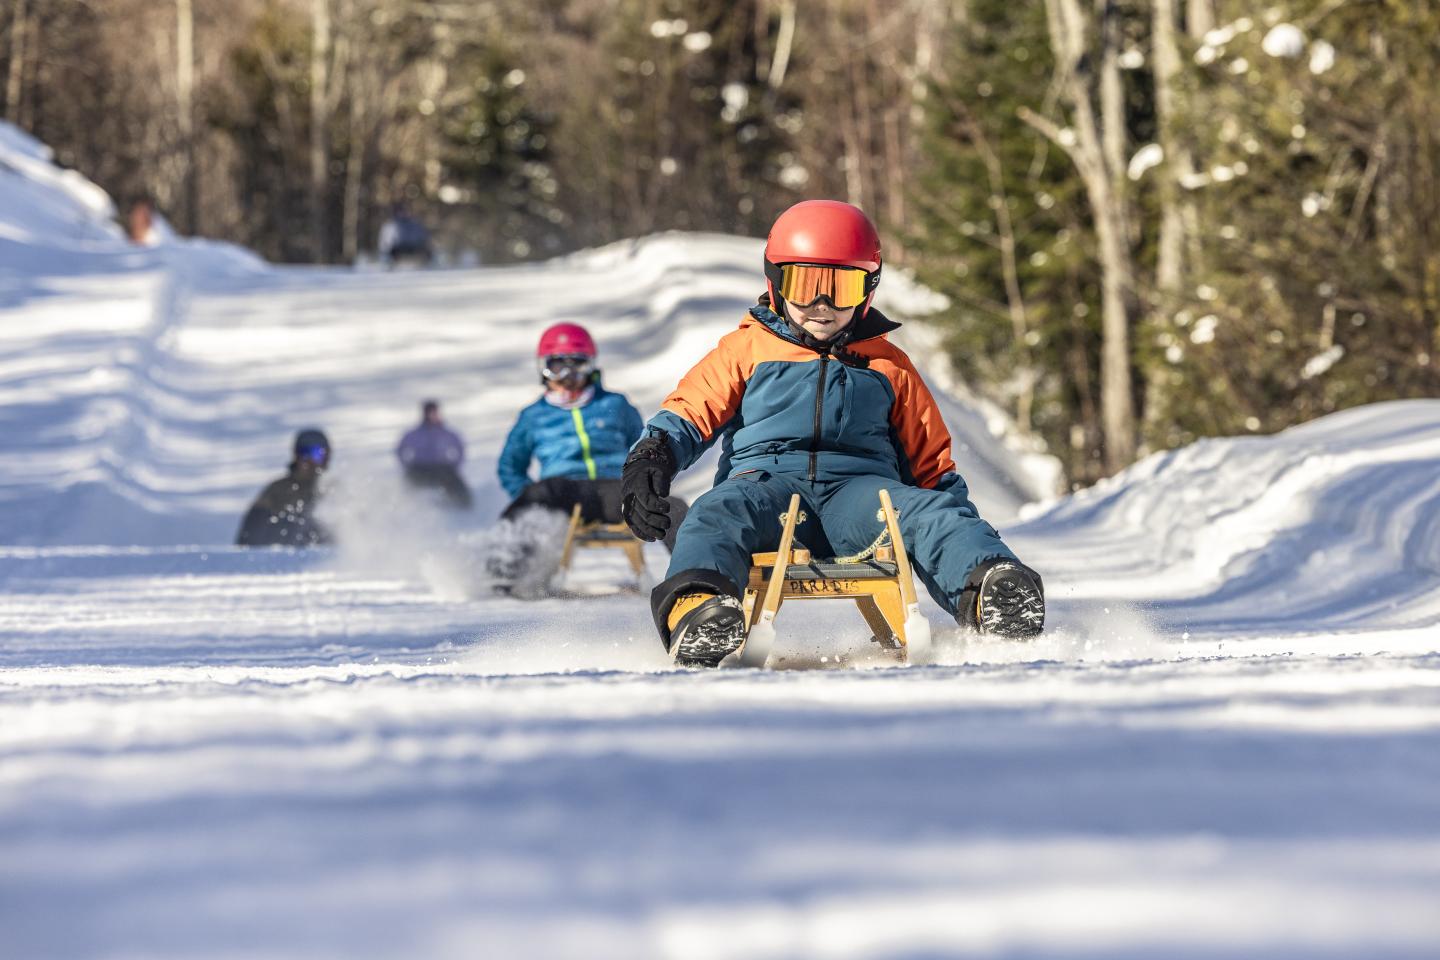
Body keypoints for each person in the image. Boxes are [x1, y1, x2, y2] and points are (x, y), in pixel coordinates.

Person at [620, 200, 1045, 666]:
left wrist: (955, 521)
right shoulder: (746, 349)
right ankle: (698, 610)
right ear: (777, 283)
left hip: (861, 498)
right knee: (715, 512)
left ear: (867, 290)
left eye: (840, 288)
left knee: (927, 511)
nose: (822, 306)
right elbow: (689, 410)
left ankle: (992, 593)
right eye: (806, 286)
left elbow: (931, 462)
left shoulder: (888, 364)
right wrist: (651, 460)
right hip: (766, 492)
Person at [498, 323, 686, 551]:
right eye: (557, 366)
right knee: (532, 500)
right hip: (561, 493)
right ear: (543, 368)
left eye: (578, 365)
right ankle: (502, 577)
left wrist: (644, 482)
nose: (568, 377)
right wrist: (531, 500)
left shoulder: (614, 404)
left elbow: (643, 446)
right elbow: (510, 465)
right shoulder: (534, 416)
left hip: (613, 490)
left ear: (591, 366)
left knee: (672, 508)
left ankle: (694, 575)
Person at [236, 429, 335, 547]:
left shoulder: (334, 490)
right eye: (305, 453)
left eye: (318, 454)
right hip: (285, 556)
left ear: (327, 458)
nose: (311, 461)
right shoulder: (277, 490)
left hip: (327, 561)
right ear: (296, 456)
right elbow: (250, 536)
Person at [397, 400, 471, 508]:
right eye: (429, 412)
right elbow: (401, 450)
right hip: (419, 468)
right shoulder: (415, 433)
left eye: (434, 412)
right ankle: (404, 508)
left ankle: (463, 507)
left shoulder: (446, 432)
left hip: (442, 468)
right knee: (408, 483)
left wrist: (455, 465)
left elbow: (460, 448)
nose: (432, 415)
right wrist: (406, 465)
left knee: (456, 484)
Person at [377, 202, 433, 267]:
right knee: (389, 253)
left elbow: (423, 236)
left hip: (414, 247)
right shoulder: (390, 225)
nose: (403, 213)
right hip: (397, 249)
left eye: (404, 211)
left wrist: (424, 243)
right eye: (400, 211)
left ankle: (428, 264)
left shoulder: (415, 224)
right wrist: (385, 251)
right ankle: (389, 264)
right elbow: (384, 241)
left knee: (426, 250)